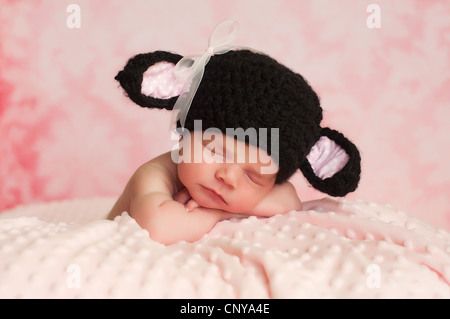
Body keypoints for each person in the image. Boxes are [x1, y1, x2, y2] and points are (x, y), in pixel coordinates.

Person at [108, 20, 361, 245]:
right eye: (216, 151)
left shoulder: (265, 183)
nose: (228, 177)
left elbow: (288, 202)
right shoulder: (154, 174)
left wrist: (228, 209)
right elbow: (159, 228)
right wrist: (221, 212)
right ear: (185, 134)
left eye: (253, 176)